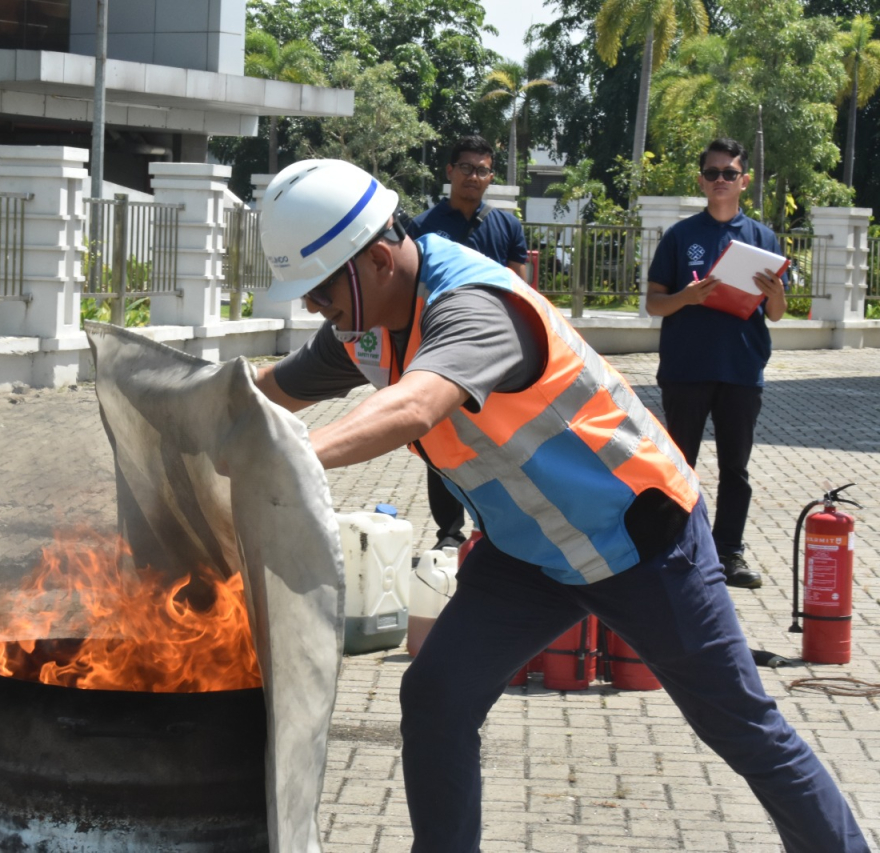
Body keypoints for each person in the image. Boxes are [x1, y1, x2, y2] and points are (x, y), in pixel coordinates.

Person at [254, 157, 867, 853]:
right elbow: (273, 389)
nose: (311, 307)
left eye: (319, 288)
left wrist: (292, 456)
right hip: (531, 556)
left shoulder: (474, 306)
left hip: (641, 541)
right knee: (435, 697)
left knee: (740, 724)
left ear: (375, 260)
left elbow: (416, 405)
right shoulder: (366, 325)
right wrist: (192, 403)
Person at [646, 138, 787, 590]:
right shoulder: (680, 236)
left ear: (744, 180)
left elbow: (777, 313)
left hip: (742, 369)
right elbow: (654, 305)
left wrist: (778, 294)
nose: (720, 181)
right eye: (712, 173)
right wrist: (686, 298)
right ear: (701, 180)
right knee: (679, 463)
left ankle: (729, 553)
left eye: (729, 173)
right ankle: (676, 548)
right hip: (686, 368)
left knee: (736, 470)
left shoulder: (763, 239)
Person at [405, 135, 529, 550]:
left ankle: (500, 531)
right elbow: (411, 292)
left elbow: (520, 288)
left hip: (495, 354)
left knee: (501, 442)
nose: (473, 177)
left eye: (482, 170)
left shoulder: (506, 226)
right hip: (440, 351)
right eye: (466, 168)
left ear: (491, 176)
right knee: (442, 445)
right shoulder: (422, 228)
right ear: (449, 172)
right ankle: (449, 533)